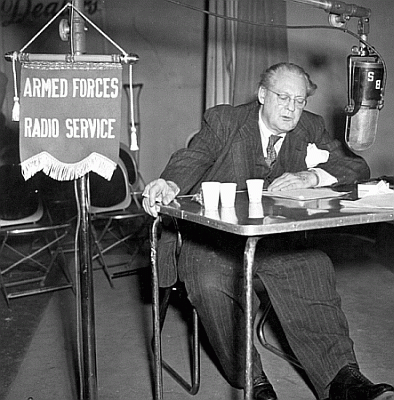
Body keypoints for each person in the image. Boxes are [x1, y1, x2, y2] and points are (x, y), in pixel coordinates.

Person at [142, 62, 394, 400]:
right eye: (283, 97)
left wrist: (311, 176)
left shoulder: (310, 126)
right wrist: (171, 182)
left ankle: (341, 381)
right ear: (262, 95)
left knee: (312, 266)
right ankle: (252, 380)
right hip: (210, 243)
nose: (291, 108)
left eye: (300, 100)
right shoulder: (225, 121)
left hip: (269, 241)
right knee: (210, 281)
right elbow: (193, 157)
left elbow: (354, 166)